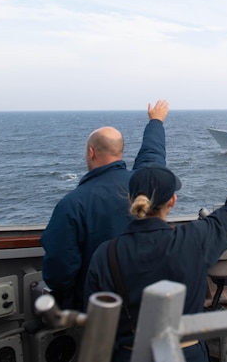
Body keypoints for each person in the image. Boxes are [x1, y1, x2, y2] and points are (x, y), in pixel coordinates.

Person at [84, 110, 227, 362]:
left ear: (130, 199)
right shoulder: (194, 239)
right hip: (186, 352)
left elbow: (96, 322)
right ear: (173, 201)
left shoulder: (105, 254)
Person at [41, 100, 171, 311]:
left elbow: (59, 274)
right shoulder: (143, 187)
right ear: (120, 152)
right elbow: (152, 157)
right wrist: (156, 122)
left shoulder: (72, 204)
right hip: (147, 304)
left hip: (100, 311)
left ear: (91, 152)